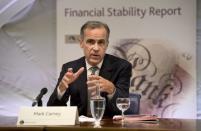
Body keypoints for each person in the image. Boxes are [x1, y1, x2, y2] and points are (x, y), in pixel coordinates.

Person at [47, 21, 132, 117]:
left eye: (101, 42)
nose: (96, 48)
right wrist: (61, 89)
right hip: (80, 128)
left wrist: (112, 90)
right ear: (81, 43)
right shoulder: (70, 69)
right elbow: (52, 110)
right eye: (91, 42)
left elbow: (124, 109)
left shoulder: (122, 67)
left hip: (110, 127)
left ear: (107, 44)